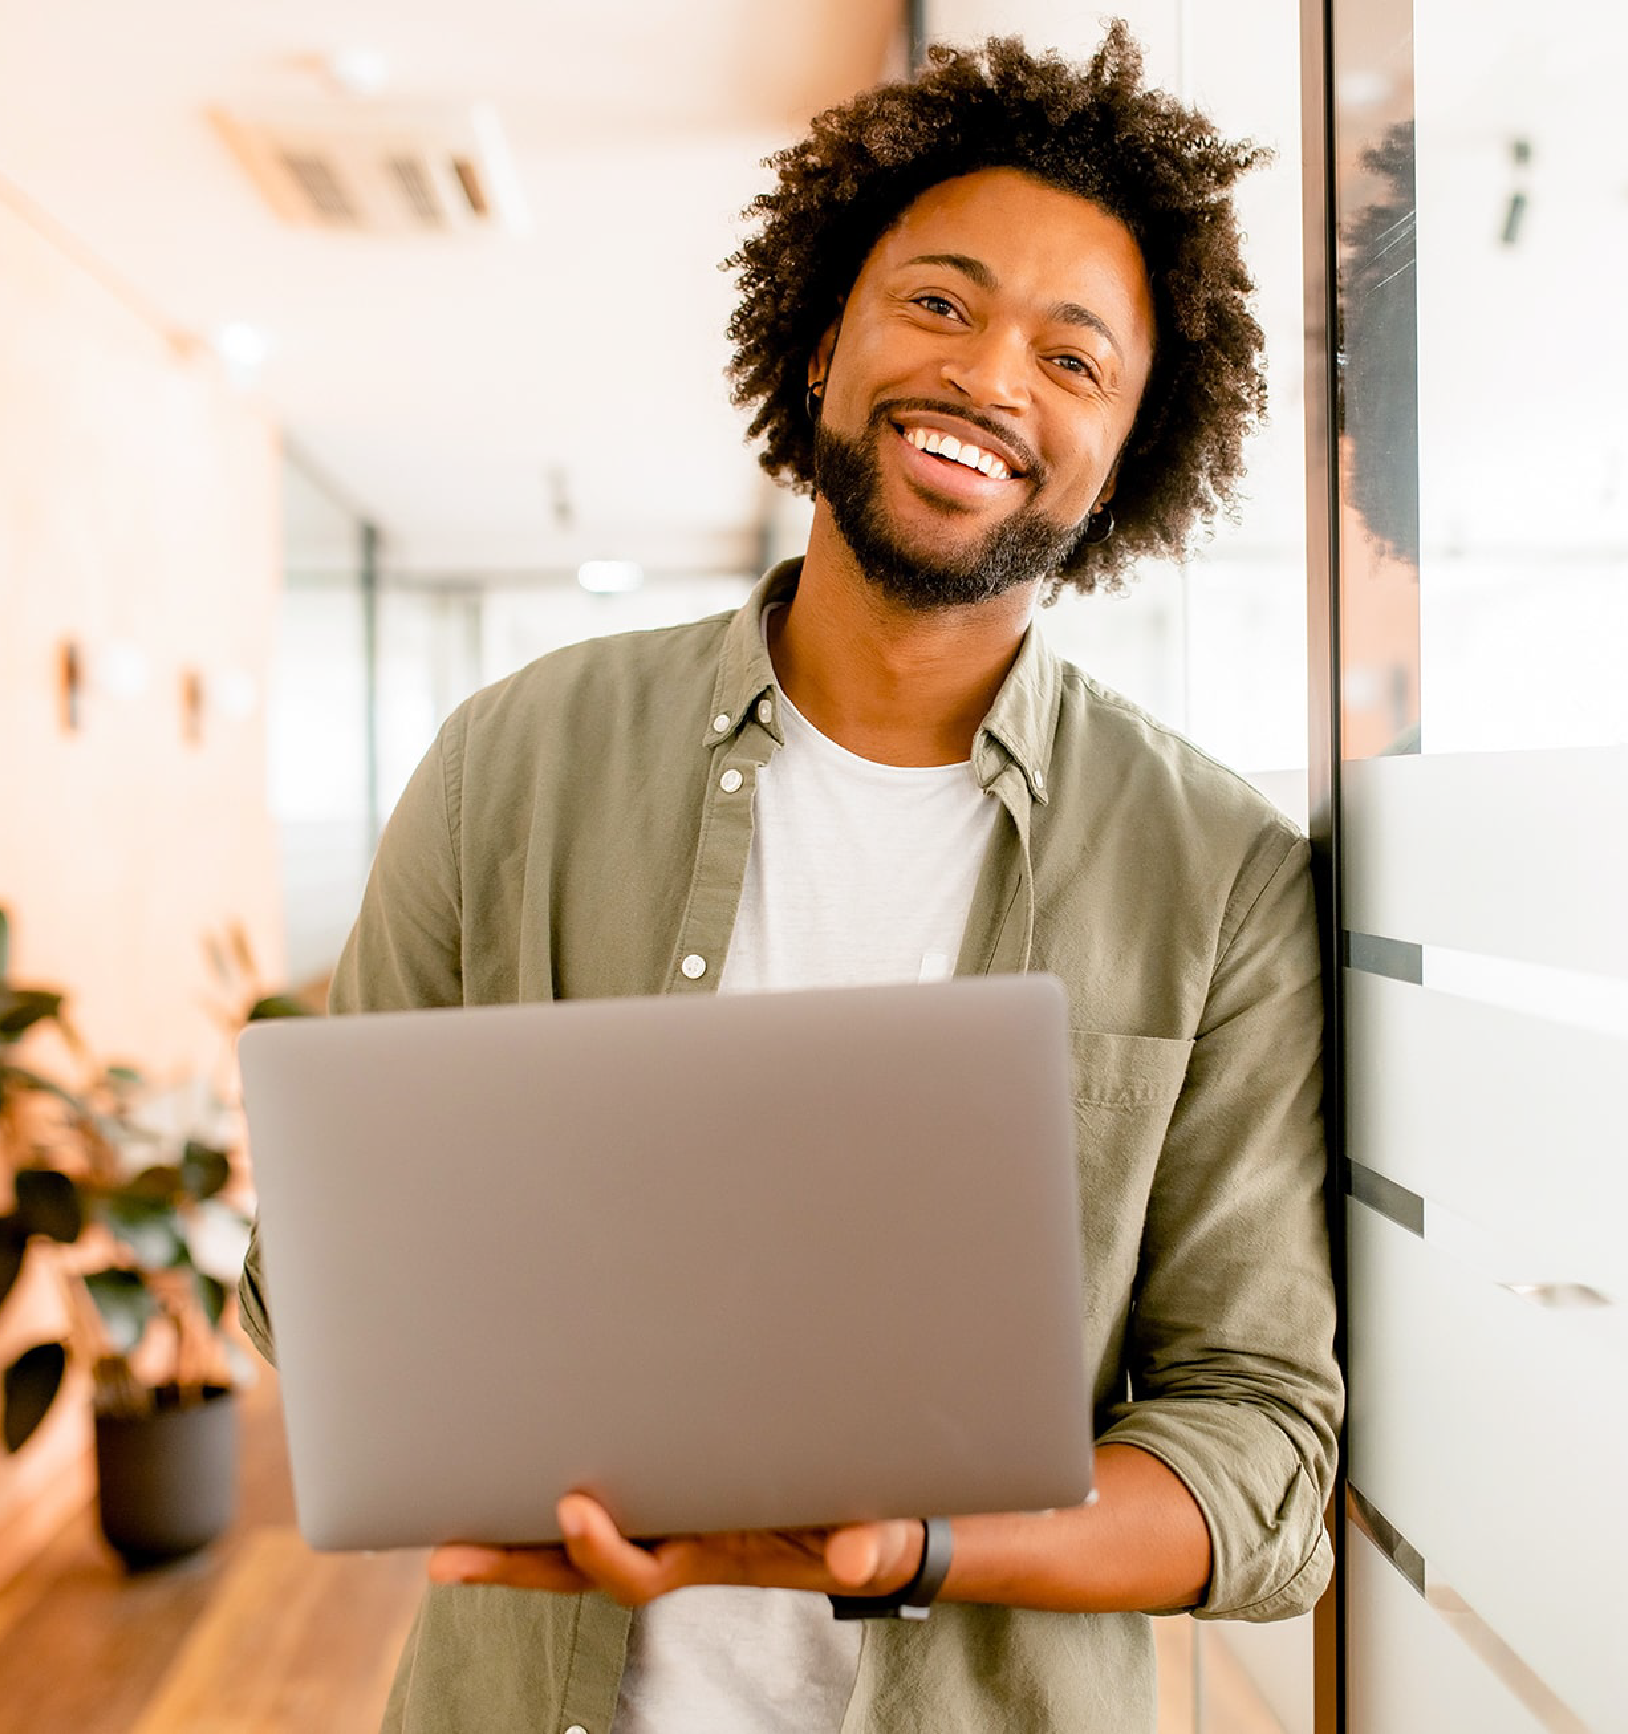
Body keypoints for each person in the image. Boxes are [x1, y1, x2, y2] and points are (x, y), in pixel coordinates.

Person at [239, 24, 1340, 1733]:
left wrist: (904, 1543)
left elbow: (1260, 1457)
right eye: (943, 303)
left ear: (1125, 451)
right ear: (827, 340)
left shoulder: (1217, 873)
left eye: (1075, 357)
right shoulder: (512, 759)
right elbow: (314, 1283)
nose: (990, 378)